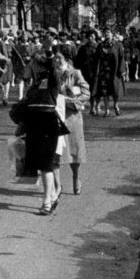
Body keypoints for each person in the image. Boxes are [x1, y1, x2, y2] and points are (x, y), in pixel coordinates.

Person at [9, 61, 67, 215]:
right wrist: (20, 121)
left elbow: (54, 72)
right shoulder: (33, 87)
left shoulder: (53, 85)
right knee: (40, 165)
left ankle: (47, 201)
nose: (36, 71)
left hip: (48, 126)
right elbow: (23, 106)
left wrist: (49, 56)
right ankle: (52, 194)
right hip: (33, 126)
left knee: (46, 164)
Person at [54, 45, 90, 195]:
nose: (56, 60)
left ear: (67, 58)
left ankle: (76, 178)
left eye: (59, 57)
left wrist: (70, 101)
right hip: (55, 118)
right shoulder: (51, 73)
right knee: (55, 153)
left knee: (73, 153)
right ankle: (57, 185)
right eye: (55, 57)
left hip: (71, 118)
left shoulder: (75, 74)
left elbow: (86, 93)